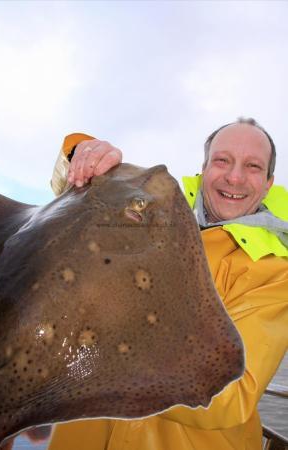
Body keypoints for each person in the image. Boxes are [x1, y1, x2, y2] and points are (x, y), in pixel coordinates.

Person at [41, 119, 288, 449]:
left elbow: (232, 392)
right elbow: (70, 198)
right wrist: (83, 153)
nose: (234, 177)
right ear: (205, 167)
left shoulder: (274, 272)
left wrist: (106, 344)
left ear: (269, 183)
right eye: (222, 160)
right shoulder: (150, 207)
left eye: (253, 166)